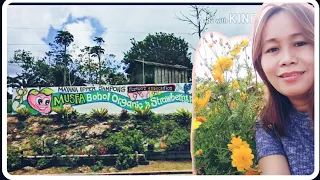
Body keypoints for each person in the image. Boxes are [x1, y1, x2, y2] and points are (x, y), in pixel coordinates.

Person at [251, 3, 315, 175]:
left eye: (300, 43)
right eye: (273, 49)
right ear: (260, 64)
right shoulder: (269, 126)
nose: (287, 59)